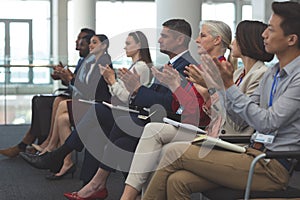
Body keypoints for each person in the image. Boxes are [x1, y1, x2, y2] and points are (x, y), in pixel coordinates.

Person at [142, 1, 300, 199]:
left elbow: (267, 123)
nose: (264, 35)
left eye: (270, 29)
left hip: (272, 166)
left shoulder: (295, 77)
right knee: (178, 180)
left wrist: (225, 87)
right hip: (253, 153)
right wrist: (221, 88)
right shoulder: (273, 74)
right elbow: (241, 119)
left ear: (291, 39)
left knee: (173, 152)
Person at [120, 19, 275, 200]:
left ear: (217, 40)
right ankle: (128, 195)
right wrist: (179, 87)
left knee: (157, 141)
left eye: (202, 35)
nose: (197, 41)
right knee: (149, 136)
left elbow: (210, 115)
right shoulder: (235, 73)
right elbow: (196, 110)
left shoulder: (227, 70)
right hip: (212, 130)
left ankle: (127, 196)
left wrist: (196, 88)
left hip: (226, 137)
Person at [63, 19, 209, 200]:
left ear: (179, 39)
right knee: (117, 137)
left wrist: (137, 89)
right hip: (153, 117)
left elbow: (168, 104)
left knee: (108, 118)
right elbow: (160, 100)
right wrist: (137, 90)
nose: (159, 40)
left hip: (170, 124)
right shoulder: (170, 64)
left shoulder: (186, 67)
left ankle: (78, 168)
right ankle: (103, 186)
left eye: (164, 36)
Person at [0, 28, 95, 158]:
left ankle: (40, 144)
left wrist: (68, 78)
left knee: (42, 103)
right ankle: (40, 143)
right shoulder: (82, 61)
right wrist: (63, 76)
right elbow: (76, 84)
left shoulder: (93, 63)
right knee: (38, 101)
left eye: (82, 41)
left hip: (79, 100)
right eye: (79, 40)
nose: (78, 43)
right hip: (73, 95)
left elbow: (83, 88)